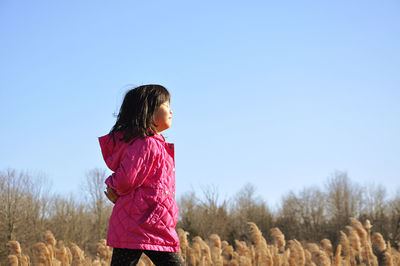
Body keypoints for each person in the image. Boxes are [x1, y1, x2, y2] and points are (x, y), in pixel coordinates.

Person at [98, 84, 184, 266]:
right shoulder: (147, 145)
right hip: (143, 224)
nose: (171, 111)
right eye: (166, 105)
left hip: (150, 223)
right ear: (150, 113)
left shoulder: (155, 145)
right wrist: (113, 185)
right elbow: (126, 179)